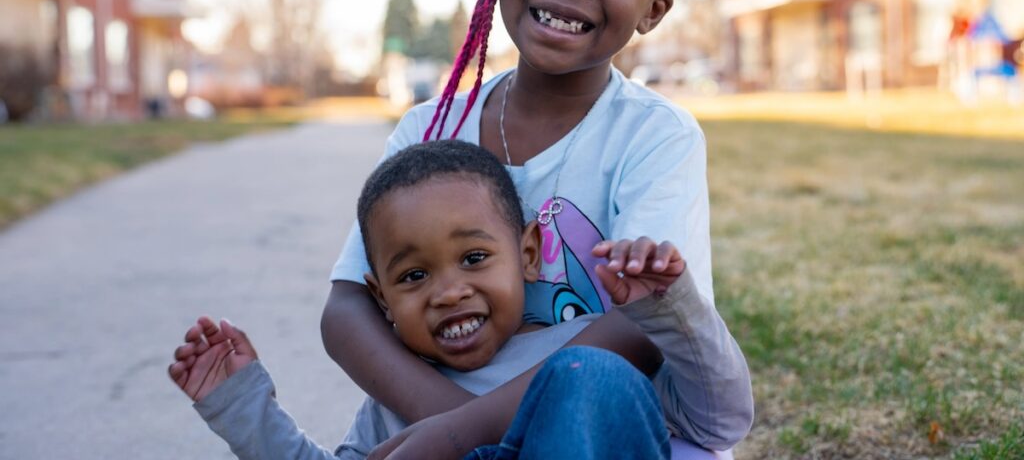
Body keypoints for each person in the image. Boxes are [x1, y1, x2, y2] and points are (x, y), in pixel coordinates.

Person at [321, 0, 742, 459]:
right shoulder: (429, 129)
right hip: (454, 431)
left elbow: (640, 329)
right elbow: (348, 310)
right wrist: (461, 434)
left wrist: (463, 436)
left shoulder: (655, 137)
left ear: (654, 9)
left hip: (603, 431)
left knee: (587, 383)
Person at [170, 141, 752, 459]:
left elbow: (721, 416)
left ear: (529, 254)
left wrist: (668, 309)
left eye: (474, 259)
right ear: (382, 299)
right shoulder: (395, 405)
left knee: (590, 376)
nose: (449, 292)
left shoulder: (580, 351)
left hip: (591, 393)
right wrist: (242, 408)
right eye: (414, 276)